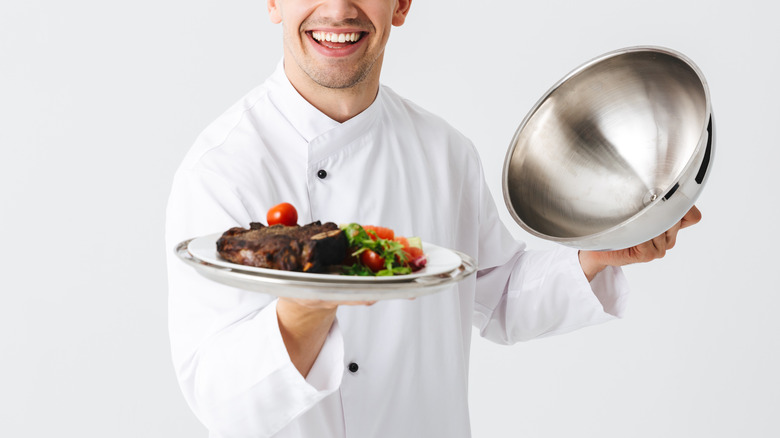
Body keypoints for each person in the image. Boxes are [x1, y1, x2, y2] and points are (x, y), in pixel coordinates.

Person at [165, 1, 702, 437]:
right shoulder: (221, 166)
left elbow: (497, 293)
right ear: (274, 2)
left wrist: (602, 253)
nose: (338, 9)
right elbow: (219, 399)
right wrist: (309, 308)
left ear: (400, 5)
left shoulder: (444, 150)